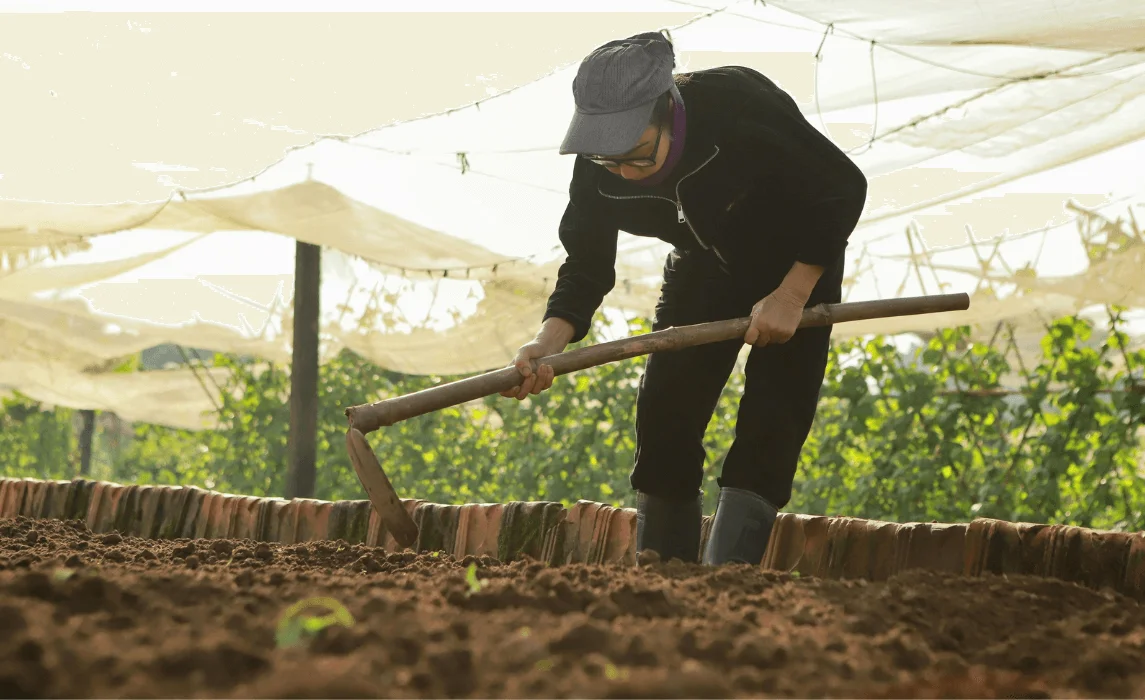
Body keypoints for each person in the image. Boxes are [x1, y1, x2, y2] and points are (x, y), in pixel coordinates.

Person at [499, 31, 868, 566]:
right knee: (665, 411)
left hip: (797, 259)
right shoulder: (599, 162)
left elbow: (841, 186)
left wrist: (791, 294)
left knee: (774, 417)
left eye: (638, 156)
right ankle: (663, 575)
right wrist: (547, 341)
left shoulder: (738, 106)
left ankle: (727, 579)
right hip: (702, 266)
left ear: (670, 111)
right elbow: (587, 263)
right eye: (609, 160)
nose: (623, 172)